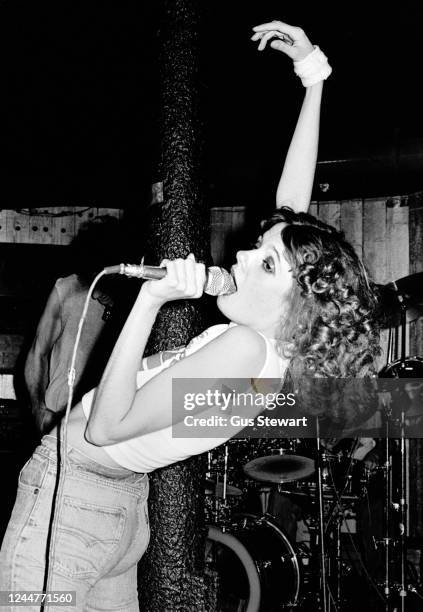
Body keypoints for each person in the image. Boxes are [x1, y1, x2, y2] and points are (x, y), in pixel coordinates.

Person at [0, 21, 379, 612]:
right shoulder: (271, 348)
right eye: (258, 246)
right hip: (117, 514)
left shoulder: (245, 352)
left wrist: (149, 302)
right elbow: (293, 218)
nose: (244, 256)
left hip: (68, 504)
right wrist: (314, 80)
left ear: (297, 302)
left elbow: (105, 427)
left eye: (266, 265)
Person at [24, 216, 133, 435]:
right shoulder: (67, 289)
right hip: (58, 418)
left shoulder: (134, 302)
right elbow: (38, 352)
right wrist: (38, 409)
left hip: (107, 424)